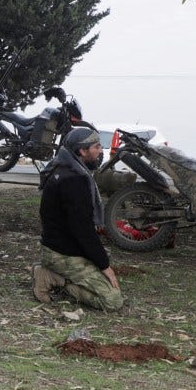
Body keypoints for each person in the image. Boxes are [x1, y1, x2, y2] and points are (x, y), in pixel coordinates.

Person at [35, 128, 123, 311]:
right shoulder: (74, 180)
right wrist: (104, 265)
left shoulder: (64, 168)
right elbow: (83, 230)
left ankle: (54, 272)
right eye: (97, 147)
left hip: (58, 246)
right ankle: (54, 278)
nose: (101, 151)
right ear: (83, 151)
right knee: (112, 301)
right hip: (61, 254)